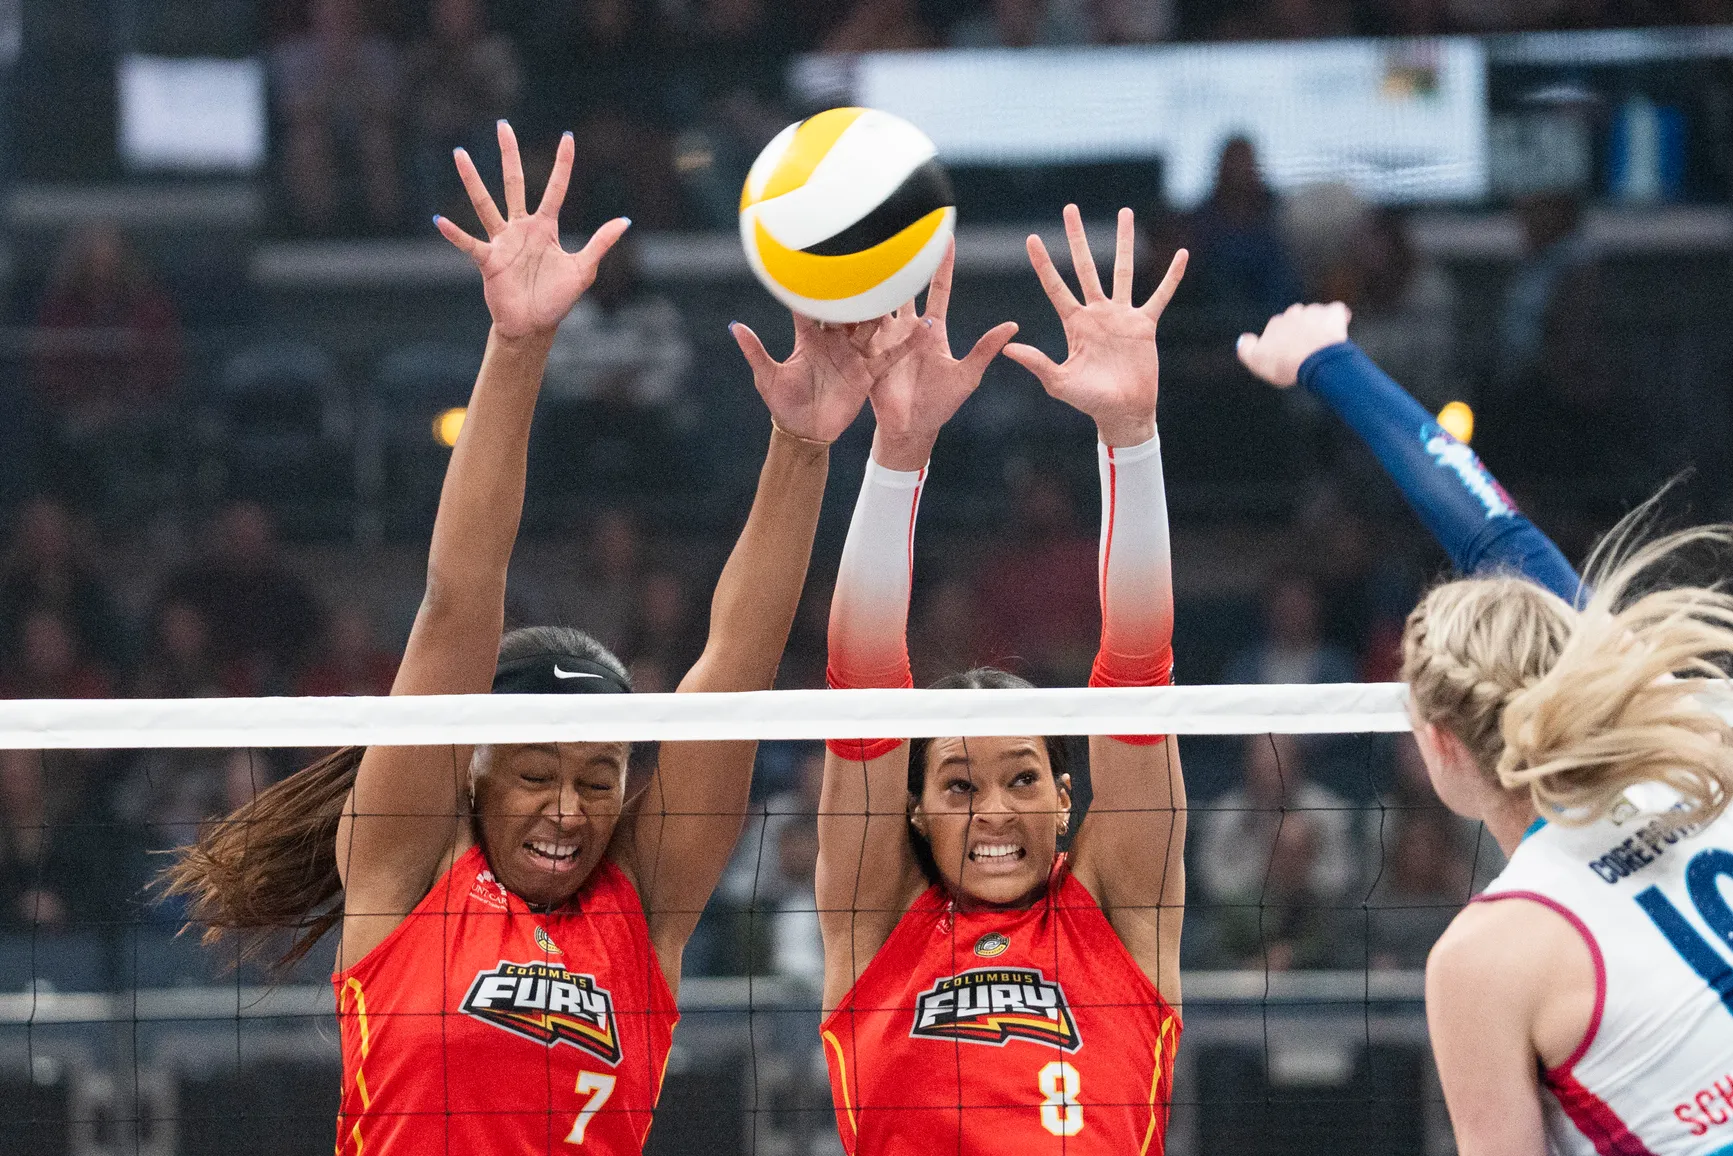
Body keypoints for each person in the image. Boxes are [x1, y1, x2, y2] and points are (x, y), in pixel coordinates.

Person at [163, 122, 899, 1154]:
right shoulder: (405, 868)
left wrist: (802, 445)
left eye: (597, 777)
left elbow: (731, 670)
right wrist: (517, 347)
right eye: (538, 772)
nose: (568, 807)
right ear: (474, 770)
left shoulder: (643, 908)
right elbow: (458, 603)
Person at [818, 211, 1189, 1153]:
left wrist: (1130, 437)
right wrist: (897, 451)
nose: (991, 810)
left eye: (1022, 777)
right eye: (956, 783)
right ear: (913, 812)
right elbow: (861, 682)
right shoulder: (878, 919)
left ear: (1067, 799)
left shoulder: (1115, 906)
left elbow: (1138, 673)